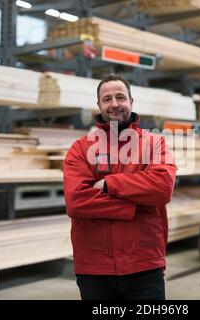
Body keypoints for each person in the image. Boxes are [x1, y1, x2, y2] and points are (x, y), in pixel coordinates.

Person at [63, 74, 177, 300]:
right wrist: (134, 205)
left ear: (131, 102)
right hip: (95, 267)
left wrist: (108, 184)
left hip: (144, 263)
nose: (114, 104)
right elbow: (76, 201)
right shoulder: (80, 148)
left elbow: (163, 187)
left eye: (120, 97)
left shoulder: (154, 143)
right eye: (107, 99)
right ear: (99, 106)